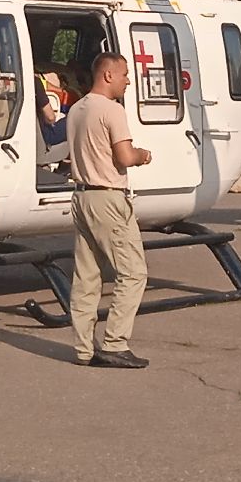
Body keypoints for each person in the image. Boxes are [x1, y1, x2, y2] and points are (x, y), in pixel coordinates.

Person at [66, 52, 153, 369]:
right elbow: (124, 157)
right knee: (133, 272)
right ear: (108, 75)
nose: (128, 81)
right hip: (108, 197)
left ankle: (83, 348)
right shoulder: (112, 110)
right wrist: (142, 155)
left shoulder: (77, 109)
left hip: (81, 196)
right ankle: (115, 343)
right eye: (125, 74)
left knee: (86, 276)